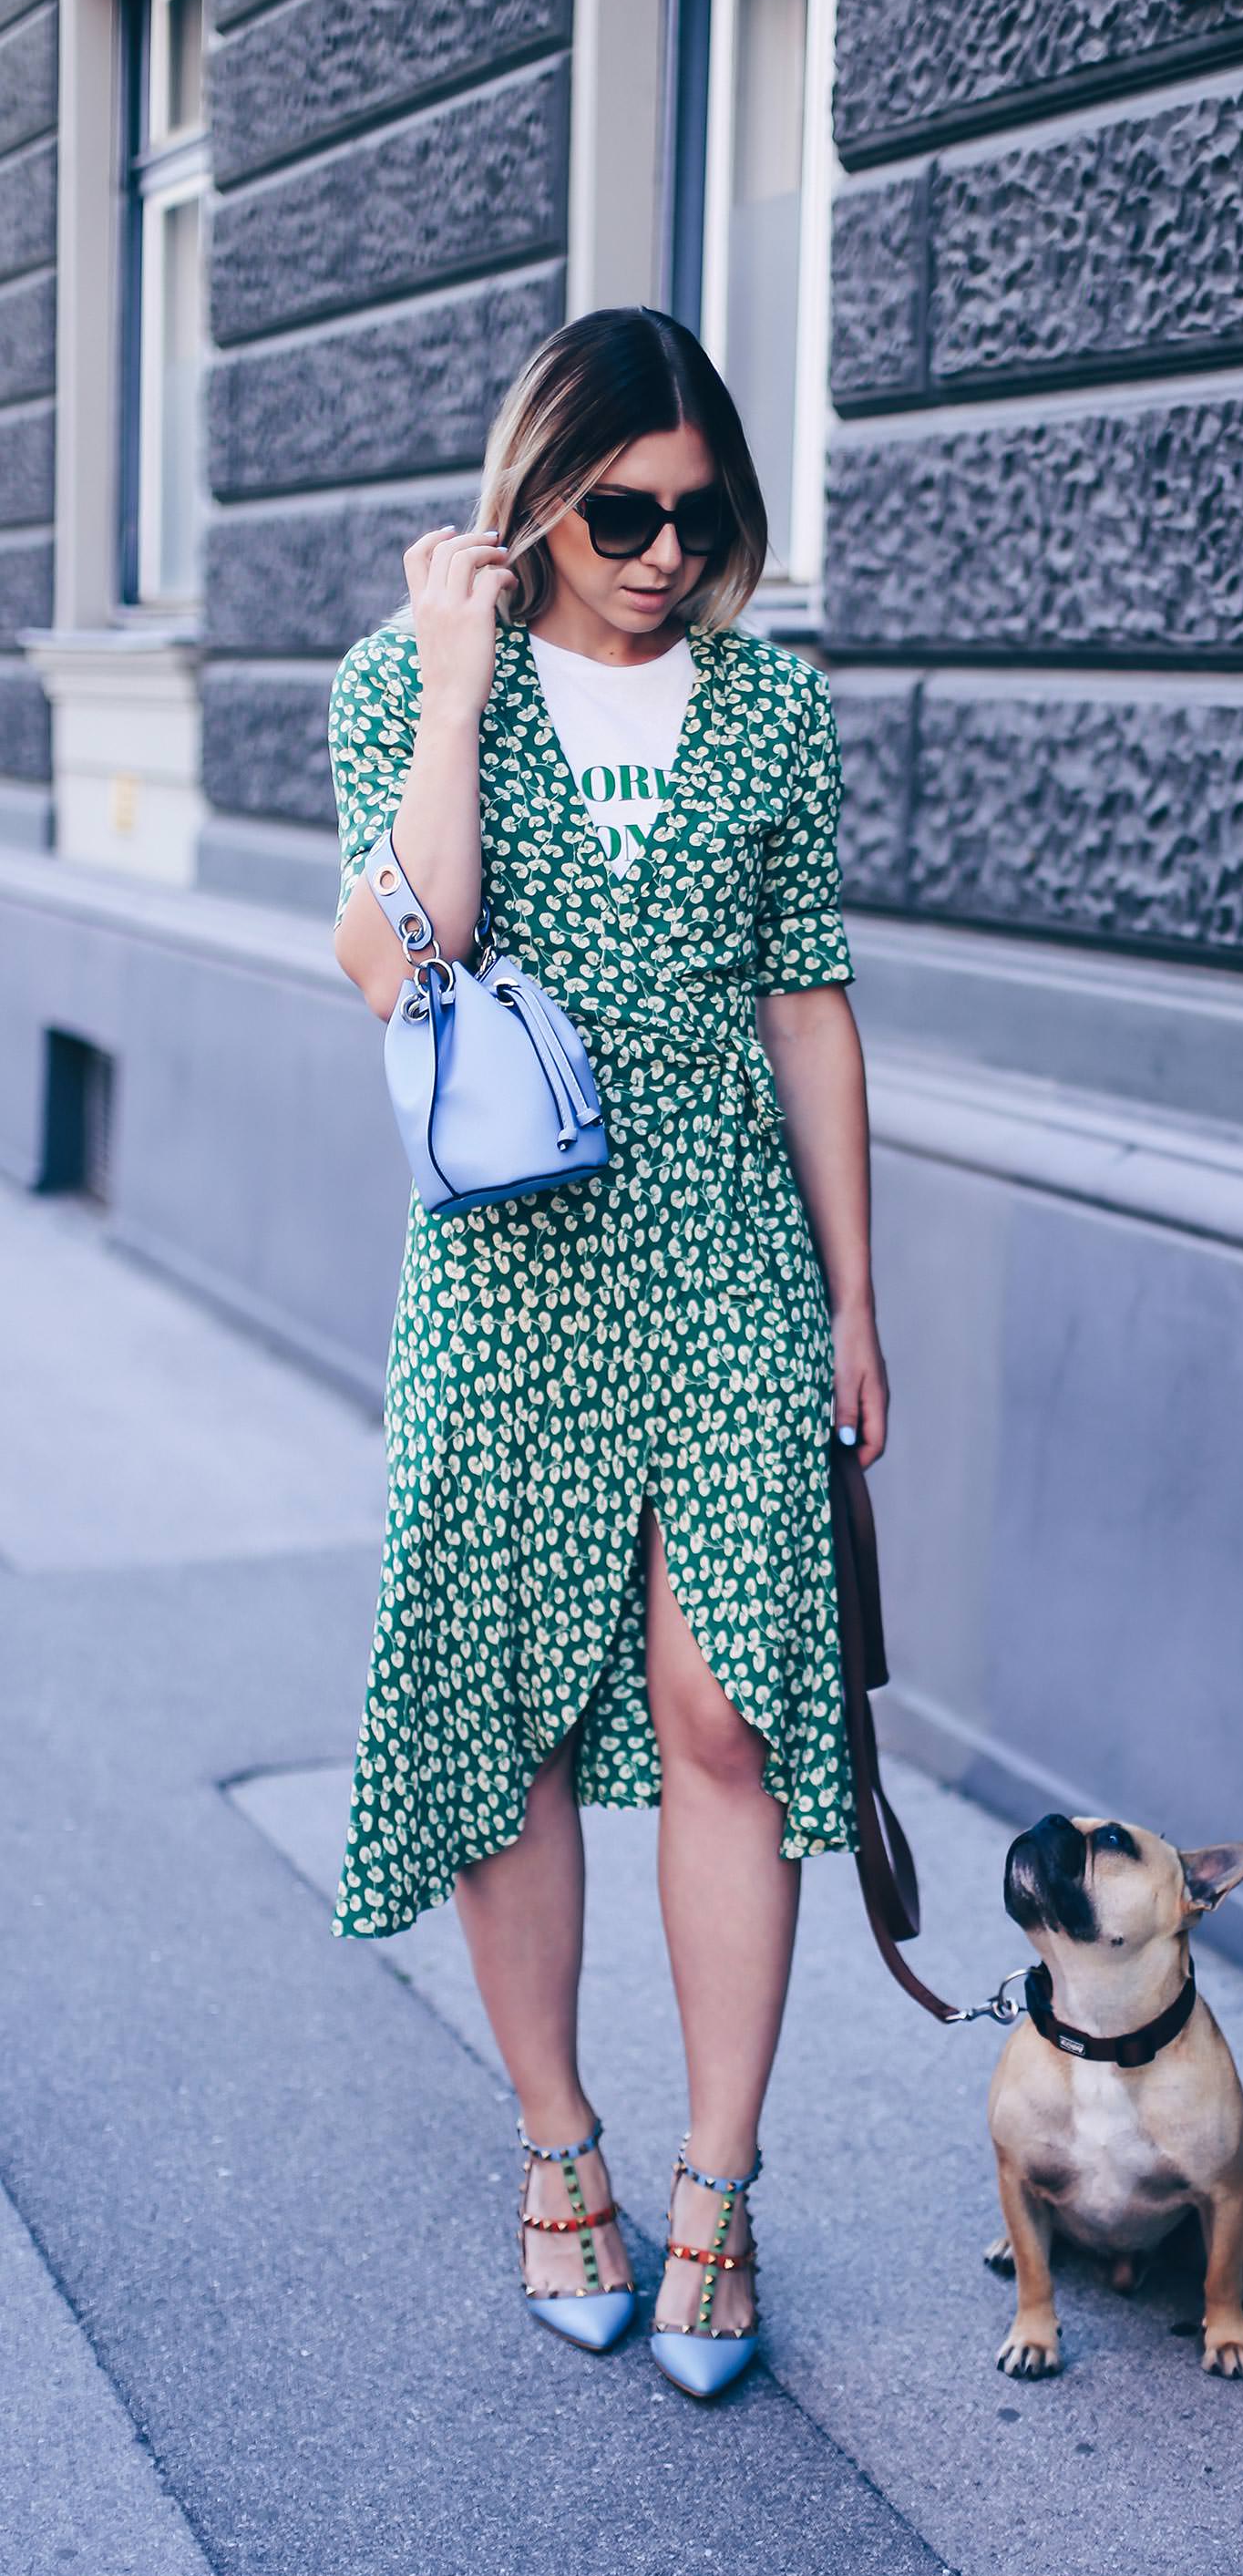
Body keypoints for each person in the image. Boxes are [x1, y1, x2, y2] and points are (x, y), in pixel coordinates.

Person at [327, 304, 889, 2399]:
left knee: (730, 1715)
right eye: (621, 508)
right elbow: (413, 955)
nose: (664, 549)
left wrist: (852, 1294)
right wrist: (462, 686)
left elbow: (812, 1001)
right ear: (540, 497)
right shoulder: (399, 684)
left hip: (733, 1266)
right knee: (510, 1722)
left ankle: (719, 2191)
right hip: (512, 1285)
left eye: (701, 508)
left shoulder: (769, 711)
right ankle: (561, 2151)